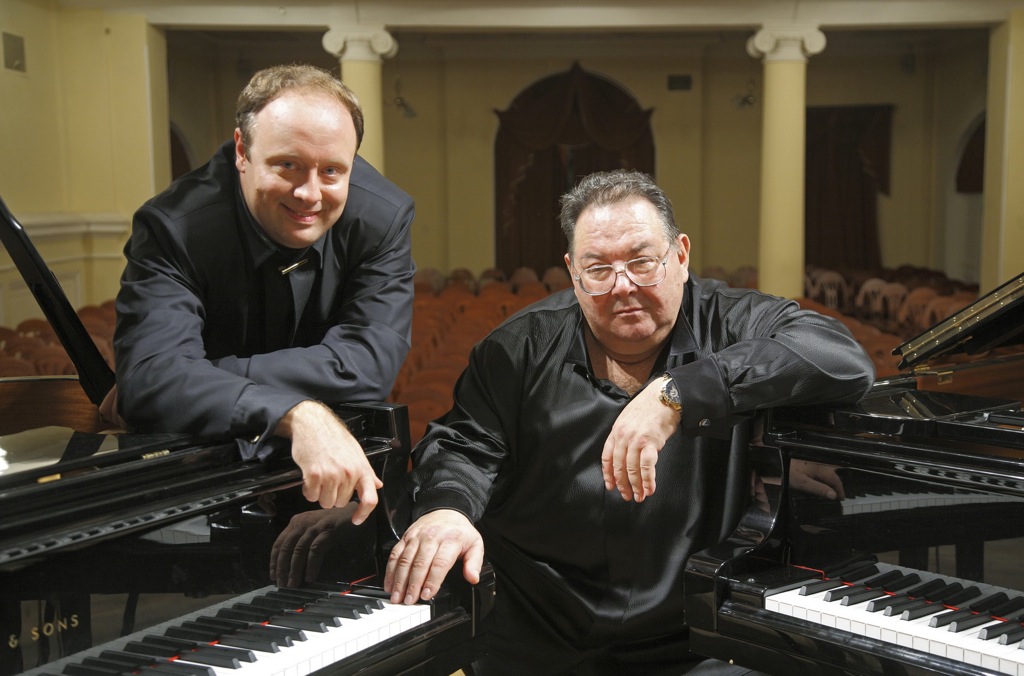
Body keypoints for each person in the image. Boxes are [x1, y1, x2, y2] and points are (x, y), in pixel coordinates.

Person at [383, 170, 875, 674]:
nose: (623, 287)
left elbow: (841, 358)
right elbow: (463, 447)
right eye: (598, 269)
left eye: (642, 262)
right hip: (536, 633)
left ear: (680, 255)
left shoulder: (733, 322)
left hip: (688, 640)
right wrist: (448, 510)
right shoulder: (517, 349)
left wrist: (678, 393)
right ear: (573, 273)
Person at [109, 64, 415, 524]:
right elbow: (153, 381)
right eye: (287, 165)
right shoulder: (174, 228)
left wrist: (197, 374)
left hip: (332, 468)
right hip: (203, 466)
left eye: (332, 171)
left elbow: (366, 366)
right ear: (242, 150)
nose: (309, 193)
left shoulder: (382, 217)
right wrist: (294, 411)